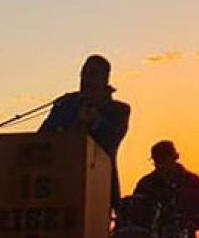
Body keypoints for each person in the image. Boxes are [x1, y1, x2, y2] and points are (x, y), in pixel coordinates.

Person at [38, 54, 131, 203]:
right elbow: (41, 137)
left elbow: (113, 138)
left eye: (92, 74)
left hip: (99, 187)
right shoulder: (65, 104)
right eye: (83, 73)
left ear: (105, 78)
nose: (86, 79)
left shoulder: (118, 110)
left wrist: (96, 121)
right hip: (59, 186)